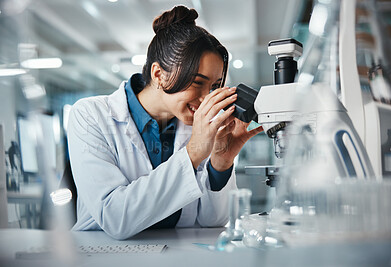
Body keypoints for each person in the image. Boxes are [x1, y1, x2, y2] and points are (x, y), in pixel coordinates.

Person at [67, 5, 263, 240]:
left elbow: (213, 222)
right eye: (197, 82)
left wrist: (220, 163)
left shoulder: (196, 124)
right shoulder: (90, 116)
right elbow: (115, 218)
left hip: (175, 255)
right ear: (159, 74)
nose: (205, 99)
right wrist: (192, 154)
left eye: (213, 86)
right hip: (104, 255)